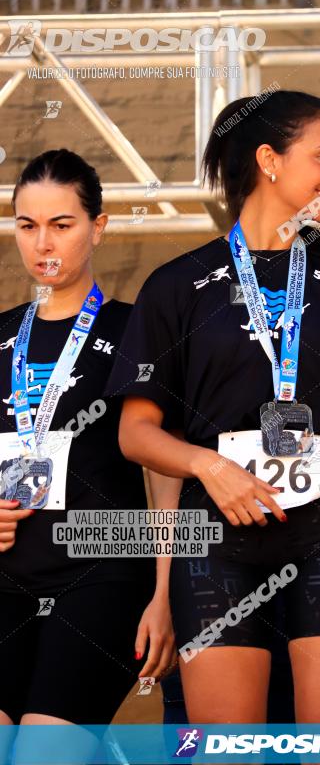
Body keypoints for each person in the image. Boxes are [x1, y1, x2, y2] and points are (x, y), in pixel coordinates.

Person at [105, 90, 320, 724]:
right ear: (269, 160)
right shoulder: (176, 285)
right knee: (228, 748)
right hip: (215, 536)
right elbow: (136, 434)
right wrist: (210, 466)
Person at [0, 150, 174, 738]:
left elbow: (167, 471)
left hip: (103, 572)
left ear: (97, 228)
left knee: (45, 752)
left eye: (61, 224)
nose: (42, 243)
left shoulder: (136, 329)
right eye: (27, 225)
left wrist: (168, 593)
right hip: (4, 578)